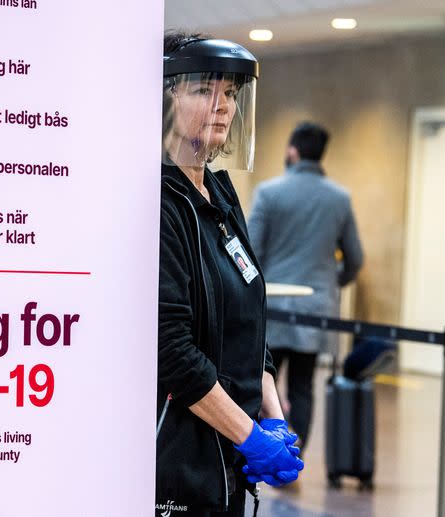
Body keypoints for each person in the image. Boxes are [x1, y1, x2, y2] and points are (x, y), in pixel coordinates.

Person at [156, 32, 304, 517]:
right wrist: (250, 436)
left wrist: (273, 420)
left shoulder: (220, 197)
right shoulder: (159, 201)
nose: (222, 107)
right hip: (178, 459)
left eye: (231, 94)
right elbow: (171, 349)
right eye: (203, 91)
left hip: (228, 454)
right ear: (163, 98)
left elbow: (248, 320)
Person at [248, 122, 364, 452]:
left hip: (273, 307)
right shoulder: (339, 199)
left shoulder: (269, 193)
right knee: (302, 386)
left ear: (292, 151)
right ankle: (294, 456)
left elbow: (250, 251)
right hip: (317, 310)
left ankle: (265, 451)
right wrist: (332, 282)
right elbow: (355, 257)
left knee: (261, 381)